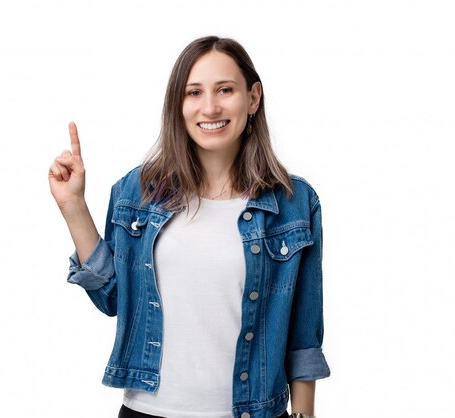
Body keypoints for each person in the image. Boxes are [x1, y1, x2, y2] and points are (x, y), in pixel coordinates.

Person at [48, 36, 330, 418]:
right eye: (193, 92)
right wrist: (74, 208)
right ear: (178, 106)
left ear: (253, 97)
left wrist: (305, 414)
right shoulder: (137, 191)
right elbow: (112, 299)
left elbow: (303, 333)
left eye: (225, 90)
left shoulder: (295, 203)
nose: (209, 107)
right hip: (148, 411)